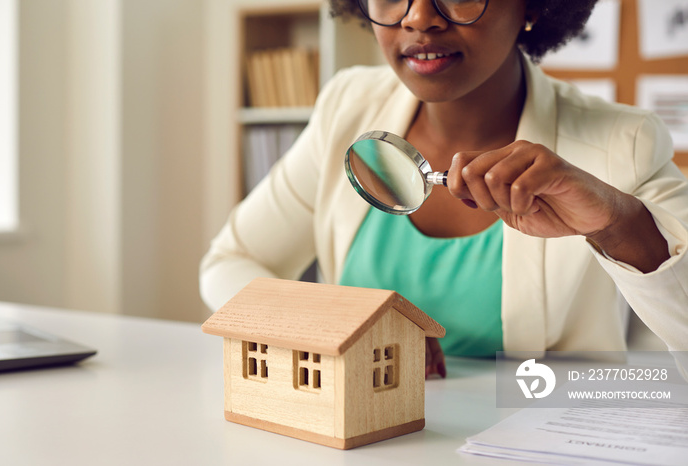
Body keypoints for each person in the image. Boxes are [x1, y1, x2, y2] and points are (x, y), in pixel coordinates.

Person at [200, 0, 688, 378]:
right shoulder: (348, 106)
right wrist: (339, 322)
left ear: (534, 6)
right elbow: (228, 263)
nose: (419, 18)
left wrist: (618, 225)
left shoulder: (622, 142)